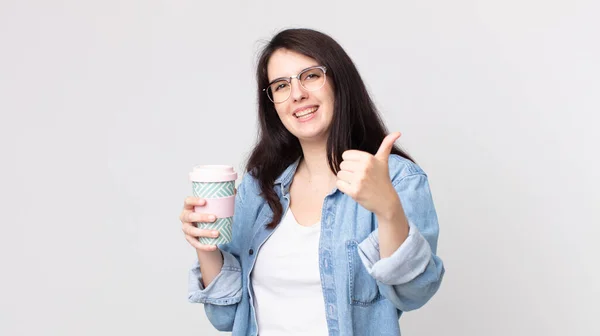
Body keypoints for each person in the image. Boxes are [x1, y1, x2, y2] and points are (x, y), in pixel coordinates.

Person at [180, 28, 445, 336]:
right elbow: (225, 317)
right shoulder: (258, 187)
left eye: (310, 76)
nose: (297, 94)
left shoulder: (396, 179)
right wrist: (206, 245)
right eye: (281, 85)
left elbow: (415, 294)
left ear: (338, 81)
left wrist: (388, 210)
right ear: (273, 105)